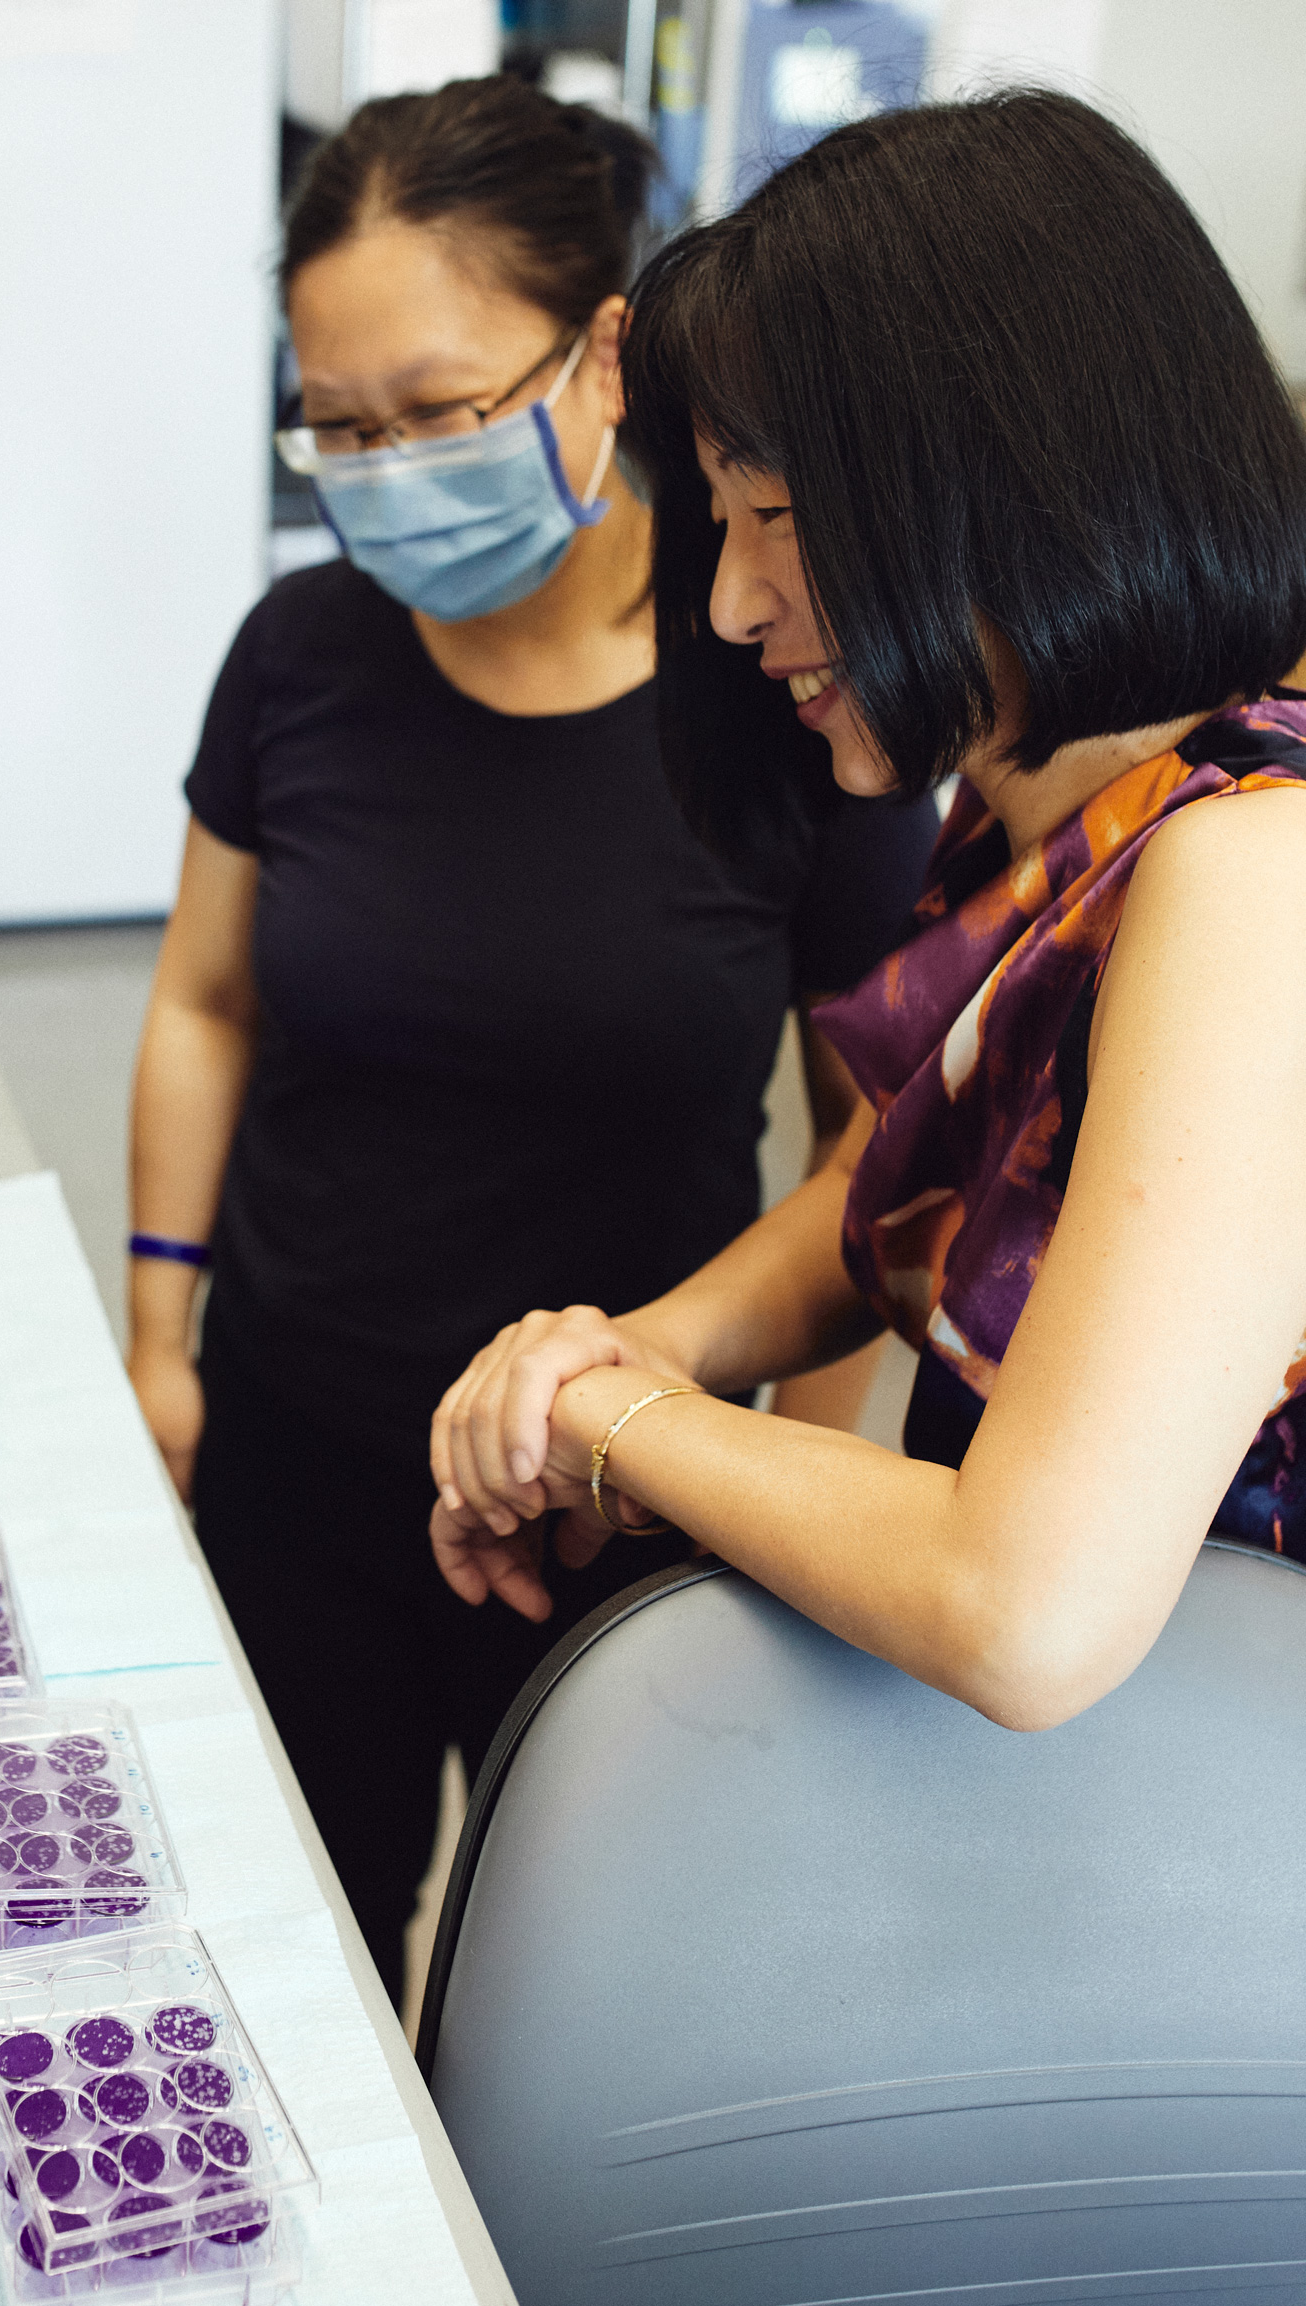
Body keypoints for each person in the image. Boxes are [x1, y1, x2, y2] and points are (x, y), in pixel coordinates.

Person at [126, 76, 941, 2000]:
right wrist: (160, 1339)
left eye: (440, 410)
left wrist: (793, 1504)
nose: (387, 465)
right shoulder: (302, 655)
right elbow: (203, 997)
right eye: (340, 426)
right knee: (280, 1944)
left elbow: (867, 1140)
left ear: (602, 354)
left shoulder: (777, 678)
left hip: (616, 1487)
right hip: (297, 1424)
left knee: (570, 1986)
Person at [428, 89, 1306, 1734]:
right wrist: (642, 1344)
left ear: (1017, 479)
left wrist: (621, 1423)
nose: (732, 602)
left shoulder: (1259, 878)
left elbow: (1025, 1605)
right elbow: (889, 1174)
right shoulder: (1050, 800)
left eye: (780, 518)